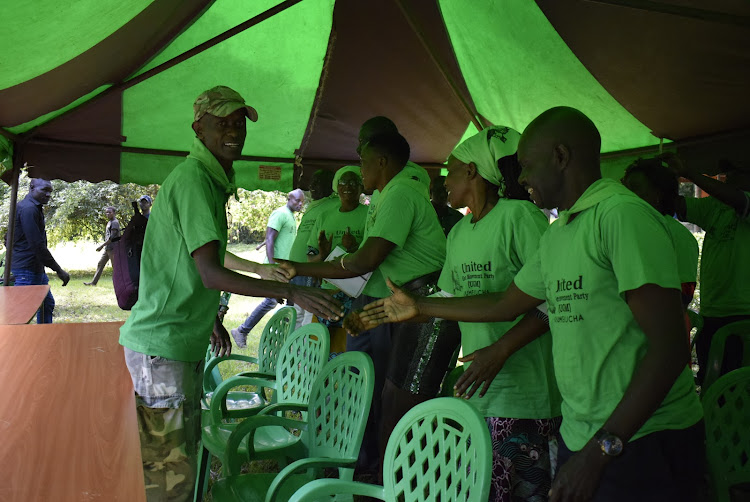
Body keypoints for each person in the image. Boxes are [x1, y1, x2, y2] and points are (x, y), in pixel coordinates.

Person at [360, 107, 705, 502]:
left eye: (526, 165)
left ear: (560, 157)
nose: (519, 178)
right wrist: (420, 307)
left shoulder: (621, 216)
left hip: (644, 436)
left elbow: (671, 347)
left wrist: (601, 450)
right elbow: (505, 304)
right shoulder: (562, 232)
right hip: (585, 433)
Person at [118, 85, 341, 502]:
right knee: (169, 477)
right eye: (223, 123)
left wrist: (254, 274)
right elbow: (209, 273)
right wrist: (290, 291)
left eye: (239, 123)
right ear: (198, 128)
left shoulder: (208, 180)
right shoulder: (194, 180)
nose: (234, 130)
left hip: (175, 343)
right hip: (161, 345)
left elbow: (208, 254)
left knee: (179, 464)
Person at [279, 132, 459, 476]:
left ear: (381, 162)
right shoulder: (384, 196)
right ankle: (370, 474)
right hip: (393, 304)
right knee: (375, 394)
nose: (358, 170)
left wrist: (301, 267)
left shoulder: (401, 194)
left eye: (362, 161)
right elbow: (366, 263)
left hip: (420, 310)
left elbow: (365, 260)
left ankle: (393, 481)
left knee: (399, 403)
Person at [430, 125, 561, 501]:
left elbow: (549, 300)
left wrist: (499, 351)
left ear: (472, 171)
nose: (443, 183)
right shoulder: (459, 233)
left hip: (525, 395)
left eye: (450, 172)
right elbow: (448, 299)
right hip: (480, 397)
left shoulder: (519, 217)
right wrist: (394, 309)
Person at [666, 153, 750, 384]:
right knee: (710, 383)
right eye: (726, 172)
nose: (726, 177)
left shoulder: (742, 202)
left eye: (734, 171)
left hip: (744, 315)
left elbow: (737, 199)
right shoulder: (714, 206)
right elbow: (674, 205)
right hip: (711, 313)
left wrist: (691, 173)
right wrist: (666, 179)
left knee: (737, 387)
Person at [621, 157, 699, 312]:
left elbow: (682, 299)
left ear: (657, 195)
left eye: (634, 188)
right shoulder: (622, 229)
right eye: (624, 188)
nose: (625, 194)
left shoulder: (677, 235)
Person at [231, 188, 305, 347]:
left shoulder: (290, 216)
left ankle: (286, 340)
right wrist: (271, 267)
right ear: (288, 198)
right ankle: (242, 330)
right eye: (297, 201)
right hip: (275, 268)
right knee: (272, 300)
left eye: (302, 202)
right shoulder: (280, 214)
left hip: (285, 268)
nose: (300, 204)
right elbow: (270, 239)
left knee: (287, 302)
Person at [307, 166, 368, 336]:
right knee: (322, 347)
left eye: (353, 182)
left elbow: (376, 255)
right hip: (328, 291)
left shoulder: (370, 214)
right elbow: (311, 259)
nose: (347, 186)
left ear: (361, 188)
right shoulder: (325, 216)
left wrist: (354, 248)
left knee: (349, 345)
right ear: (337, 187)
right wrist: (322, 254)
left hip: (357, 292)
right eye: (343, 182)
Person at [11, 178, 70, 323]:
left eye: (50, 191)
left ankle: (44, 338)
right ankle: (16, 344)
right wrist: (58, 270)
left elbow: (10, 237)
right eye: (44, 190)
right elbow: (37, 245)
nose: (48, 194)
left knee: (46, 304)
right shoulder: (28, 209)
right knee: (20, 314)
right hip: (26, 270)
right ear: (32, 188)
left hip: (34, 268)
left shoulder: (31, 207)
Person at [287, 169, 338, 328]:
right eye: (312, 182)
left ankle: (304, 351)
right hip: (297, 269)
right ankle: (292, 350)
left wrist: (320, 266)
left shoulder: (335, 204)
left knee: (308, 314)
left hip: (312, 269)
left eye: (318, 182)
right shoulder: (313, 206)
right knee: (295, 314)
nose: (312, 186)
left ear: (331, 186)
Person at [84, 206, 121, 286]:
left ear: (114, 213)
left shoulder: (115, 222)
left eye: (109, 212)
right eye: (106, 212)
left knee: (115, 267)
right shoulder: (109, 222)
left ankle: (119, 284)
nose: (107, 214)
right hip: (108, 248)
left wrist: (101, 246)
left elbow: (112, 237)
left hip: (113, 248)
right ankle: (93, 283)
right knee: (100, 264)